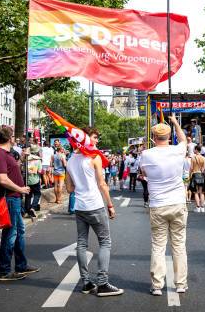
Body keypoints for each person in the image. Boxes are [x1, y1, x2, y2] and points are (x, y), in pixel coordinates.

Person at [66, 126, 123, 297]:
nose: (97, 140)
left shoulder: (70, 160)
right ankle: (103, 283)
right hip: (95, 205)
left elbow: (69, 189)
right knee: (105, 242)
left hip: (80, 207)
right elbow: (102, 184)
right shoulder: (94, 157)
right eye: (95, 137)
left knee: (82, 243)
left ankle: (86, 283)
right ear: (85, 138)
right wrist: (110, 205)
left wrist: (79, 182)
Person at [138, 115, 188, 296]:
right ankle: (180, 284)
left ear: (153, 137)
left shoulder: (146, 154)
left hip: (158, 204)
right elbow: (183, 139)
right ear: (169, 136)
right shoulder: (178, 151)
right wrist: (175, 122)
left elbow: (143, 172)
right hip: (177, 203)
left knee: (158, 246)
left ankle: (157, 285)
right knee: (179, 245)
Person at [0, 127, 40, 281]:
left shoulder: (7, 154)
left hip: (15, 198)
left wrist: (22, 159)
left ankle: (20, 265)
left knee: (19, 231)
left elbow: (12, 170)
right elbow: (3, 179)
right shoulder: (0, 154)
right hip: (10, 198)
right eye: (13, 136)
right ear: (10, 138)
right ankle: (4, 271)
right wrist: (20, 188)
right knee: (10, 234)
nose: (15, 138)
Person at [25, 145, 43, 218]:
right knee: (37, 194)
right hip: (35, 179)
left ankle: (27, 210)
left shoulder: (26, 158)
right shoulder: (38, 160)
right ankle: (33, 207)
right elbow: (40, 170)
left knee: (28, 195)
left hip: (27, 180)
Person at [190, 145, 205, 213]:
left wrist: (189, 175)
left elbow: (191, 168)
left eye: (194, 149)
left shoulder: (193, 158)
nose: (193, 150)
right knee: (202, 192)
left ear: (196, 150)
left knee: (196, 193)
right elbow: (204, 169)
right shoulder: (203, 158)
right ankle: (202, 208)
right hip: (201, 175)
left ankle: (198, 207)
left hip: (195, 175)